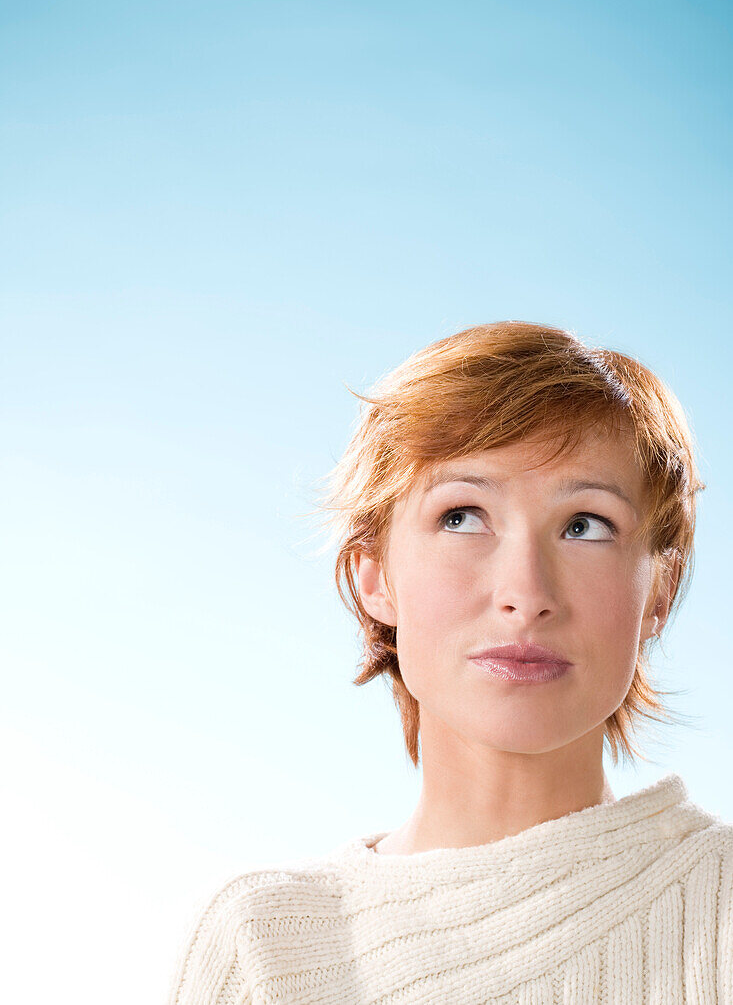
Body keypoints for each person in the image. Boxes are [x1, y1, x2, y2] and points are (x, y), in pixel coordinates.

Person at [167, 320, 733, 1004]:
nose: (524, 595)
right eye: (462, 516)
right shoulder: (263, 944)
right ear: (374, 577)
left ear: (658, 596)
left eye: (584, 525)